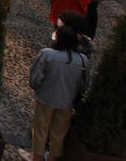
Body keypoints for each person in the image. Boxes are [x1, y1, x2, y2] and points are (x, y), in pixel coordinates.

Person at [26, 25, 89, 161]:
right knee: (59, 133)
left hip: (45, 97)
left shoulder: (47, 54)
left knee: (40, 130)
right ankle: (52, 158)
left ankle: (36, 158)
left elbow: (35, 78)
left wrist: (37, 88)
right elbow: (84, 84)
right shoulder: (83, 60)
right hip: (67, 101)